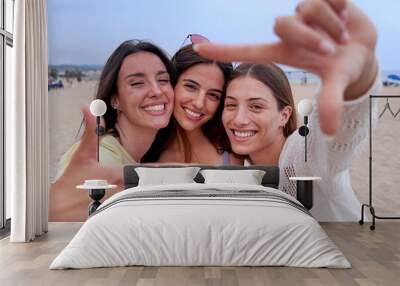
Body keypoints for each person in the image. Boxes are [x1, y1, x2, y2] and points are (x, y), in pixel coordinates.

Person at [195, 0, 380, 221]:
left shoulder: (304, 156)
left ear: (284, 115)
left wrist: (358, 78)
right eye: (231, 105)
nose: (239, 119)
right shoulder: (239, 168)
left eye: (256, 106)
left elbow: (339, 135)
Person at [50, 40, 177, 221]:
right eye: (137, 83)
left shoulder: (138, 156)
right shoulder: (103, 160)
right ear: (115, 99)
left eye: (163, 80)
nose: (156, 91)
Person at [142, 44, 242, 165]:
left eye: (213, 95)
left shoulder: (235, 156)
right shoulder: (140, 150)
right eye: (191, 86)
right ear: (172, 83)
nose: (199, 104)